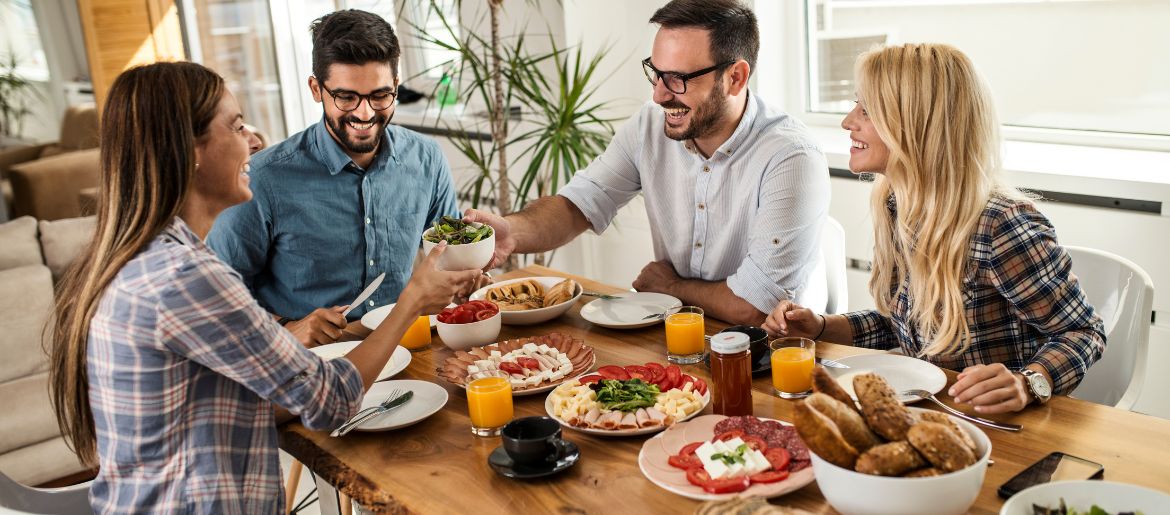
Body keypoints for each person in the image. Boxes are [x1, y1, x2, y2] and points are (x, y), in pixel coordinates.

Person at [46, 62, 479, 513]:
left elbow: (227, 403)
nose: (254, 140)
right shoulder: (187, 278)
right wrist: (411, 300)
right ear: (189, 149)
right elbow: (330, 401)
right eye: (236, 126)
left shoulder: (148, 258)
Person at [763, 43, 1105, 414]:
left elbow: (1083, 333)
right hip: (939, 415)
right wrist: (821, 327)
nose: (848, 122)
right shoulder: (898, 206)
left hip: (1003, 424)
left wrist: (1029, 382)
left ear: (917, 124)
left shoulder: (1000, 225)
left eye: (868, 110)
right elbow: (906, 325)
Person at [465, 0, 830, 326]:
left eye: (678, 79)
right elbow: (580, 204)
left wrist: (671, 288)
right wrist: (513, 231)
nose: (658, 94)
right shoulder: (649, 125)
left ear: (735, 77)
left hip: (776, 353)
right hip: (681, 332)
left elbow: (754, 306)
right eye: (655, 72)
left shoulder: (791, 157)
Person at [208, 9, 477, 346]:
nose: (364, 113)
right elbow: (215, 300)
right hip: (312, 361)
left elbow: (446, 256)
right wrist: (286, 329)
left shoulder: (426, 158)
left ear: (396, 86)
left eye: (380, 95)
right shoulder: (262, 179)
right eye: (346, 97)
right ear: (316, 89)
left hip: (410, 344)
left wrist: (469, 271)